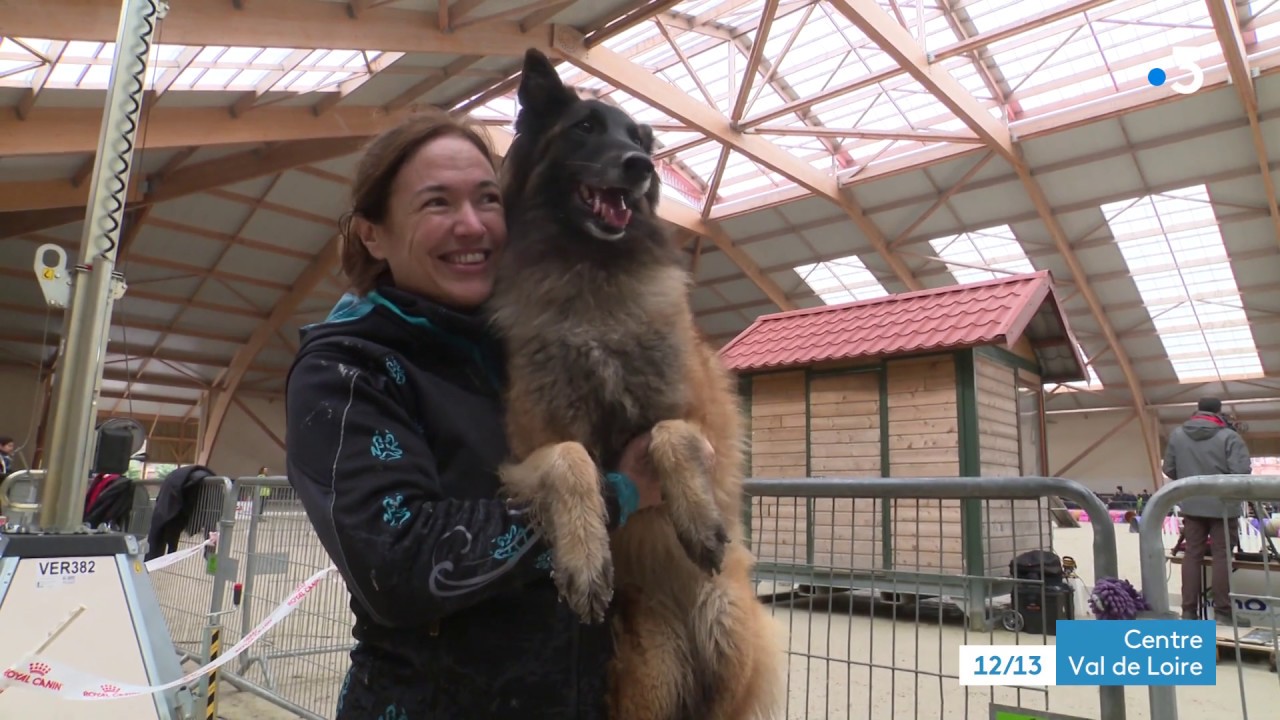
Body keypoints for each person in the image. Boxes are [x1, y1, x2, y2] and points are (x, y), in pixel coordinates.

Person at [283, 109, 668, 719]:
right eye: (436, 203)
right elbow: (398, 565)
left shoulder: (534, 344)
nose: (472, 225)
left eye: (488, 199)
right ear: (373, 234)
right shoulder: (347, 369)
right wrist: (617, 494)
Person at [1162, 397, 1253, 625]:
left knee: (1192, 555)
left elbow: (1169, 468)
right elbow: (1241, 471)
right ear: (1219, 411)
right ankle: (1223, 613)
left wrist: (1190, 482)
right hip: (1224, 506)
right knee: (1222, 556)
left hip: (1191, 504)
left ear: (1198, 409)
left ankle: (1188, 612)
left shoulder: (1177, 435)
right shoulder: (1229, 436)